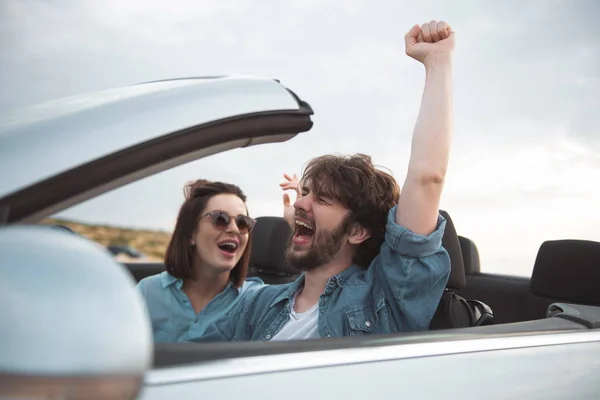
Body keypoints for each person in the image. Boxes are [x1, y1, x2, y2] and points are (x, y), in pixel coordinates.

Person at [190, 20, 455, 342]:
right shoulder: (255, 303)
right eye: (305, 193)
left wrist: (437, 61)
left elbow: (428, 176)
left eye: (323, 199)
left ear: (357, 231)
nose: (300, 203)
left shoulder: (384, 299)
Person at [136, 179, 265, 342]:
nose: (234, 229)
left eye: (243, 223)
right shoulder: (147, 292)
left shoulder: (257, 300)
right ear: (191, 233)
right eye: (220, 218)